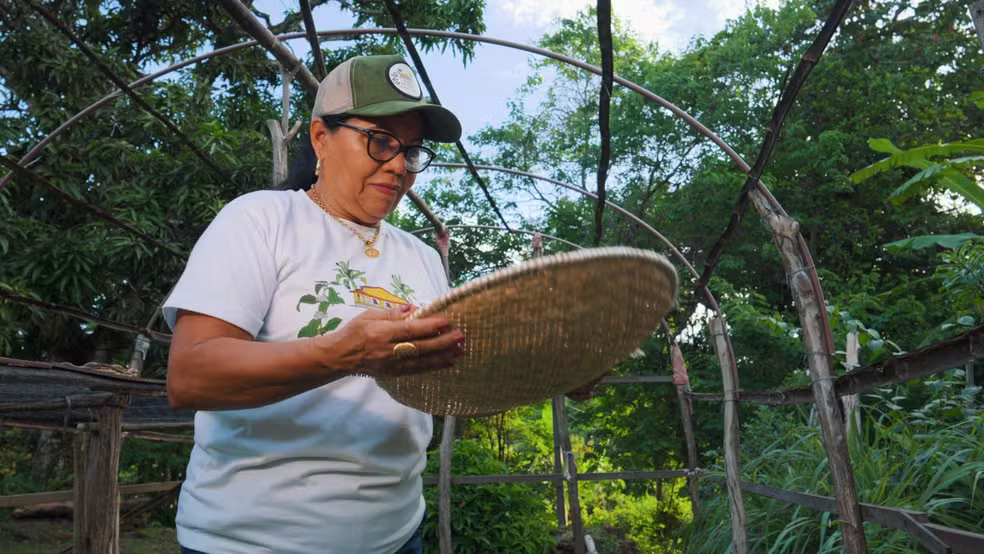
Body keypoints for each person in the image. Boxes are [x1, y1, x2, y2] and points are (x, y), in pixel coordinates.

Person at [163, 54, 466, 554]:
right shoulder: (261, 220)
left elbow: (442, 379)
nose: (398, 165)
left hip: (396, 536)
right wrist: (341, 354)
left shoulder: (420, 256)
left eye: (411, 151)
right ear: (321, 137)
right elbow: (191, 376)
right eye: (380, 141)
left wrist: (551, 368)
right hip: (252, 542)